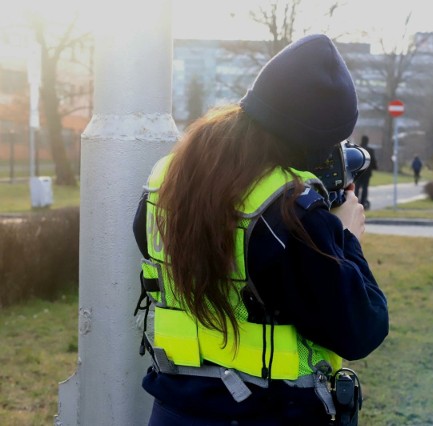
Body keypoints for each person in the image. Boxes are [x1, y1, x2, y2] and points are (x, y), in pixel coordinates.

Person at [132, 34, 389, 425]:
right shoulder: (290, 213)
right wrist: (345, 238)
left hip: (174, 411)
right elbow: (362, 328)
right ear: (313, 143)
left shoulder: (166, 184)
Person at [353, 135, 377, 210]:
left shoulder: (357, 148)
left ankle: (355, 201)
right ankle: (363, 202)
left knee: (357, 187)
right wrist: (375, 167)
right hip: (367, 172)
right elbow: (372, 160)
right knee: (365, 188)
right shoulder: (370, 150)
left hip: (358, 172)